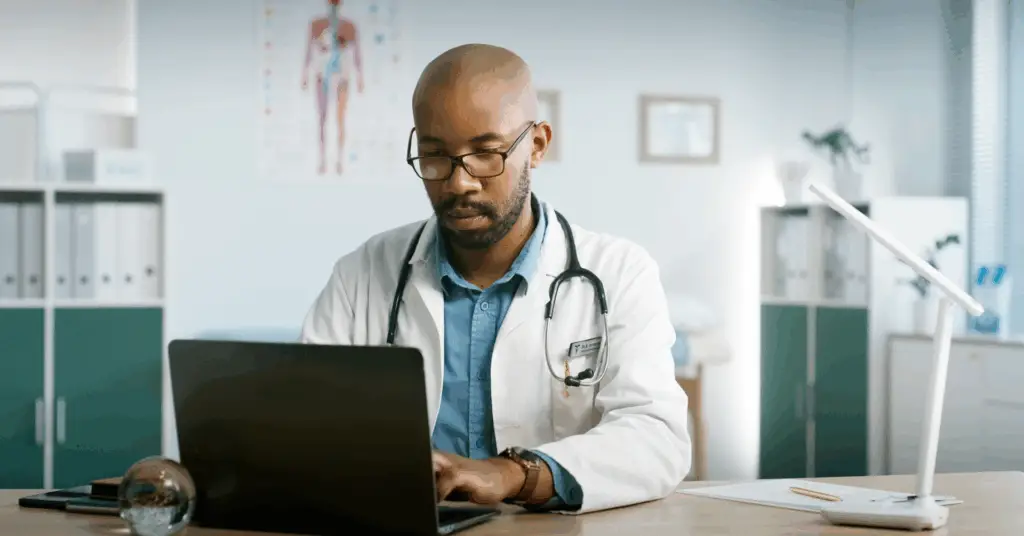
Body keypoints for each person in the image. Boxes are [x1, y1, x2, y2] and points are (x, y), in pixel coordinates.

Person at [301, 43, 691, 514]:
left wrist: (513, 474)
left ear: (538, 145)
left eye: (486, 153)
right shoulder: (362, 273)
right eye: (434, 155)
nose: (459, 182)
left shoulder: (620, 272)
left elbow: (656, 437)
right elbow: (307, 425)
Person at [301, 0, 364, 175]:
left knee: (339, 118)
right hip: (322, 74)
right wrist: (304, 74)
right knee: (322, 118)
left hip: (342, 75)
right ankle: (322, 160)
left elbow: (357, 52)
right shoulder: (316, 25)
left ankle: (339, 160)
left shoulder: (349, 26)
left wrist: (360, 77)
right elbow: (308, 50)